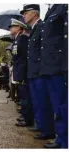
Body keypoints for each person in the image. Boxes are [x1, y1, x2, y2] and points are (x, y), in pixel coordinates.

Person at [34, 4, 68, 148]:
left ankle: (65, 141)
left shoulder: (63, 7)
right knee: (57, 106)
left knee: (62, 105)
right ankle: (61, 138)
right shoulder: (52, 10)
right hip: (49, 67)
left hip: (59, 65)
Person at [21, 4, 56, 141]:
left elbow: (43, 51)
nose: (24, 15)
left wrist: (42, 69)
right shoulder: (34, 29)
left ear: (34, 13)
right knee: (37, 101)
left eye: (26, 12)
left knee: (43, 102)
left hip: (40, 71)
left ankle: (48, 130)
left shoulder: (41, 27)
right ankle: (41, 125)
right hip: (33, 72)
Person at [9, 19, 33, 127]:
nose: (10, 28)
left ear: (19, 27)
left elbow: (24, 57)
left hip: (23, 71)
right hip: (19, 70)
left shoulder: (22, 38)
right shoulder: (17, 39)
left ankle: (27, 118)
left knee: (25, 96)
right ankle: (25, 115)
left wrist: (22, 72)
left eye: (12, 26)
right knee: (22, 95)